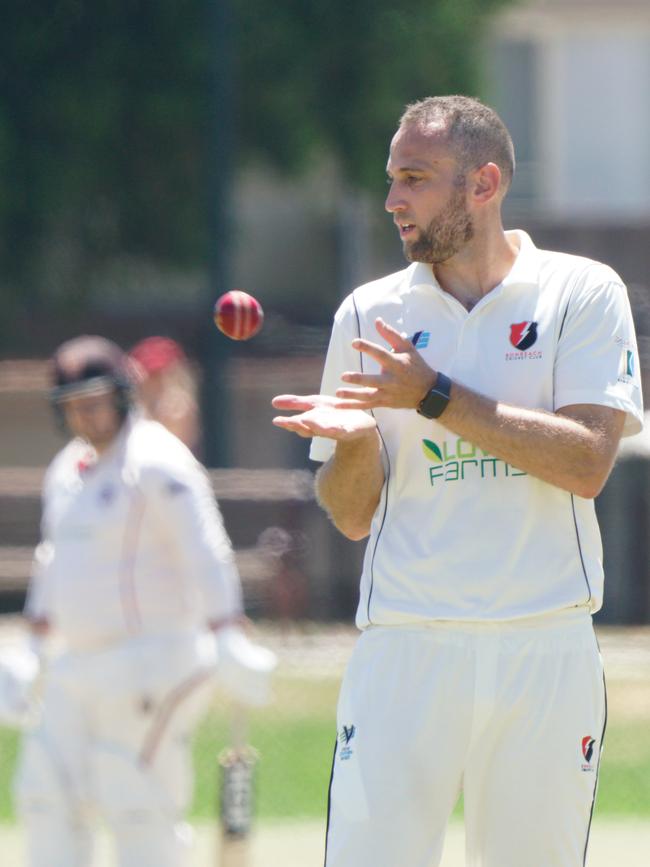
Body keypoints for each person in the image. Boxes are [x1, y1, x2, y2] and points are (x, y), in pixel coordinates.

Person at [272, 95, 644, 867]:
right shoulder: (368, 312)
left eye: (414, 177)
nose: (392, 200)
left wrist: (433, 396)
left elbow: (586, 462)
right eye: (390, 178)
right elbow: (349, 516)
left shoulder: (581, 291)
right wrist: (354, 448)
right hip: (406, 645)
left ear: (484, 183)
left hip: (543, 645)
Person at [14, 335, 250, 867]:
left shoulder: (156, 459)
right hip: (77, 665)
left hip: (154, 660)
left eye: (94, 400)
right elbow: (54, 563)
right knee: (46, 793)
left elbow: (205, 549)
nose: (85, 414)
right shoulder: (67, 470)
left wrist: (227, 632)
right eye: (73, 404)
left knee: (136, 802)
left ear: (122, 395)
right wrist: (32, 649)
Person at [128, 335, 201, 453]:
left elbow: (174, 449)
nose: (157, 383)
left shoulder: (179, 408)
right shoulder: (130, 409)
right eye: (152, 375)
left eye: (161, 374)